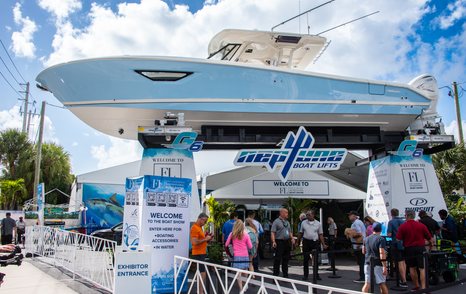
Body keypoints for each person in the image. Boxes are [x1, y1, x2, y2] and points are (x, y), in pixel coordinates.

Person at [396, 209, 434, 291]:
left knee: (412, 268)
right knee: (422, 268)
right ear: (414, 216)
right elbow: (430, 238)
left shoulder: (403, 226)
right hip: (420, 248)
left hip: (409, 249)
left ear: (406, 216)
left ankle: (416, 286)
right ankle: (423, 287)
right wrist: (431, 246)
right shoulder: (421, 225)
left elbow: (398, 239)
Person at [297, 210, 328, 281]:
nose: (307, 216)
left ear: (313, 215)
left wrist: (323, 244)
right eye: (307, 215)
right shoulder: (303, 223)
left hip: (315, 242)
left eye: (309, 215)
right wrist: (297, 241)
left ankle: (316, 274)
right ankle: (305, 275)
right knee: (306, 259)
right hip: (306, 242)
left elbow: (320, 234)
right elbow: (301, 232)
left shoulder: (318, 223)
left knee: (316, 259)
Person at [225, 220, 252, 292]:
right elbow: (250, 246)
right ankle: (245, 285)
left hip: (236, 256)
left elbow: (226, 244)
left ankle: (241, 289)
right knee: (245, 271)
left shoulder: (232, 234)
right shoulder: (246, 234)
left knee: (238, 274)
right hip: (245, 255)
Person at [362, 222, 388, 294]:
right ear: (381, 230)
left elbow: (363, 251)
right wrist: (385, 266)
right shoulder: (381, 239)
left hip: (367, 262)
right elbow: (381, 253)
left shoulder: (366, 239)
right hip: (378, 263)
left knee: (367, 283)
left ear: (372, 229)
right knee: (382, 283)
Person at [190, 212, 213, 294]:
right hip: (198, 253)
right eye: (205, 221)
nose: (205, 223)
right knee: (202, 272)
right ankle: (200, 291)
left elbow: (200, 240)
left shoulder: (199, 228)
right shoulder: (194, 228)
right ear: (200, 219)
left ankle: (200, 291)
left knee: (202, 272)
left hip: (201, 253)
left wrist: (207, 239)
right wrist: (205, 239)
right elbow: (194, 242)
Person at [271, 208, 295, 278]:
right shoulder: (276, 221)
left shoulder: (287, 222)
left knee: (286, 259)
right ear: (282, 213)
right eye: (286, 213)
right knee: (277, 259)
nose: (288, 214)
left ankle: (285, 274)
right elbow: (273, 232)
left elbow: (289, 231)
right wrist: (273, 241)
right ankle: (275, 275)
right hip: (279, 241)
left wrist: (292, 238)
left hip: (287, 242)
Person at [387, 208, 407, 288]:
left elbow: (389, 234)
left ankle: (403, 280)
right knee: (403, 262)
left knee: (399, 262)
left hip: (395, 244)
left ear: (391, 214)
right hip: (404, 244)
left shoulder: (391, 222)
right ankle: (403, 279)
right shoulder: (404, 221)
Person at [348, 210, 366, 283]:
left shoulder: (356, 223)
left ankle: (363, 277)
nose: (349, 216)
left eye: (350, 215)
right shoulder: (358, 222)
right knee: (361, 262)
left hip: (359, 245)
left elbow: (359, 233)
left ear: (355, 216)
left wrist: (350, 233)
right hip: (358, 245)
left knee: (361, 262)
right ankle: (363, 277)